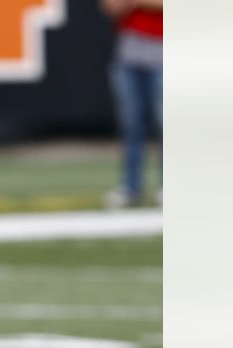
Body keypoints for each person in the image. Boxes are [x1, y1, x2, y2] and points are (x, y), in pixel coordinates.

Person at [101, 0, 162, 209]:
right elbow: (111, 7)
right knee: (131, 124)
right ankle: (131, 186)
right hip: (129, 54)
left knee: (165, 123)